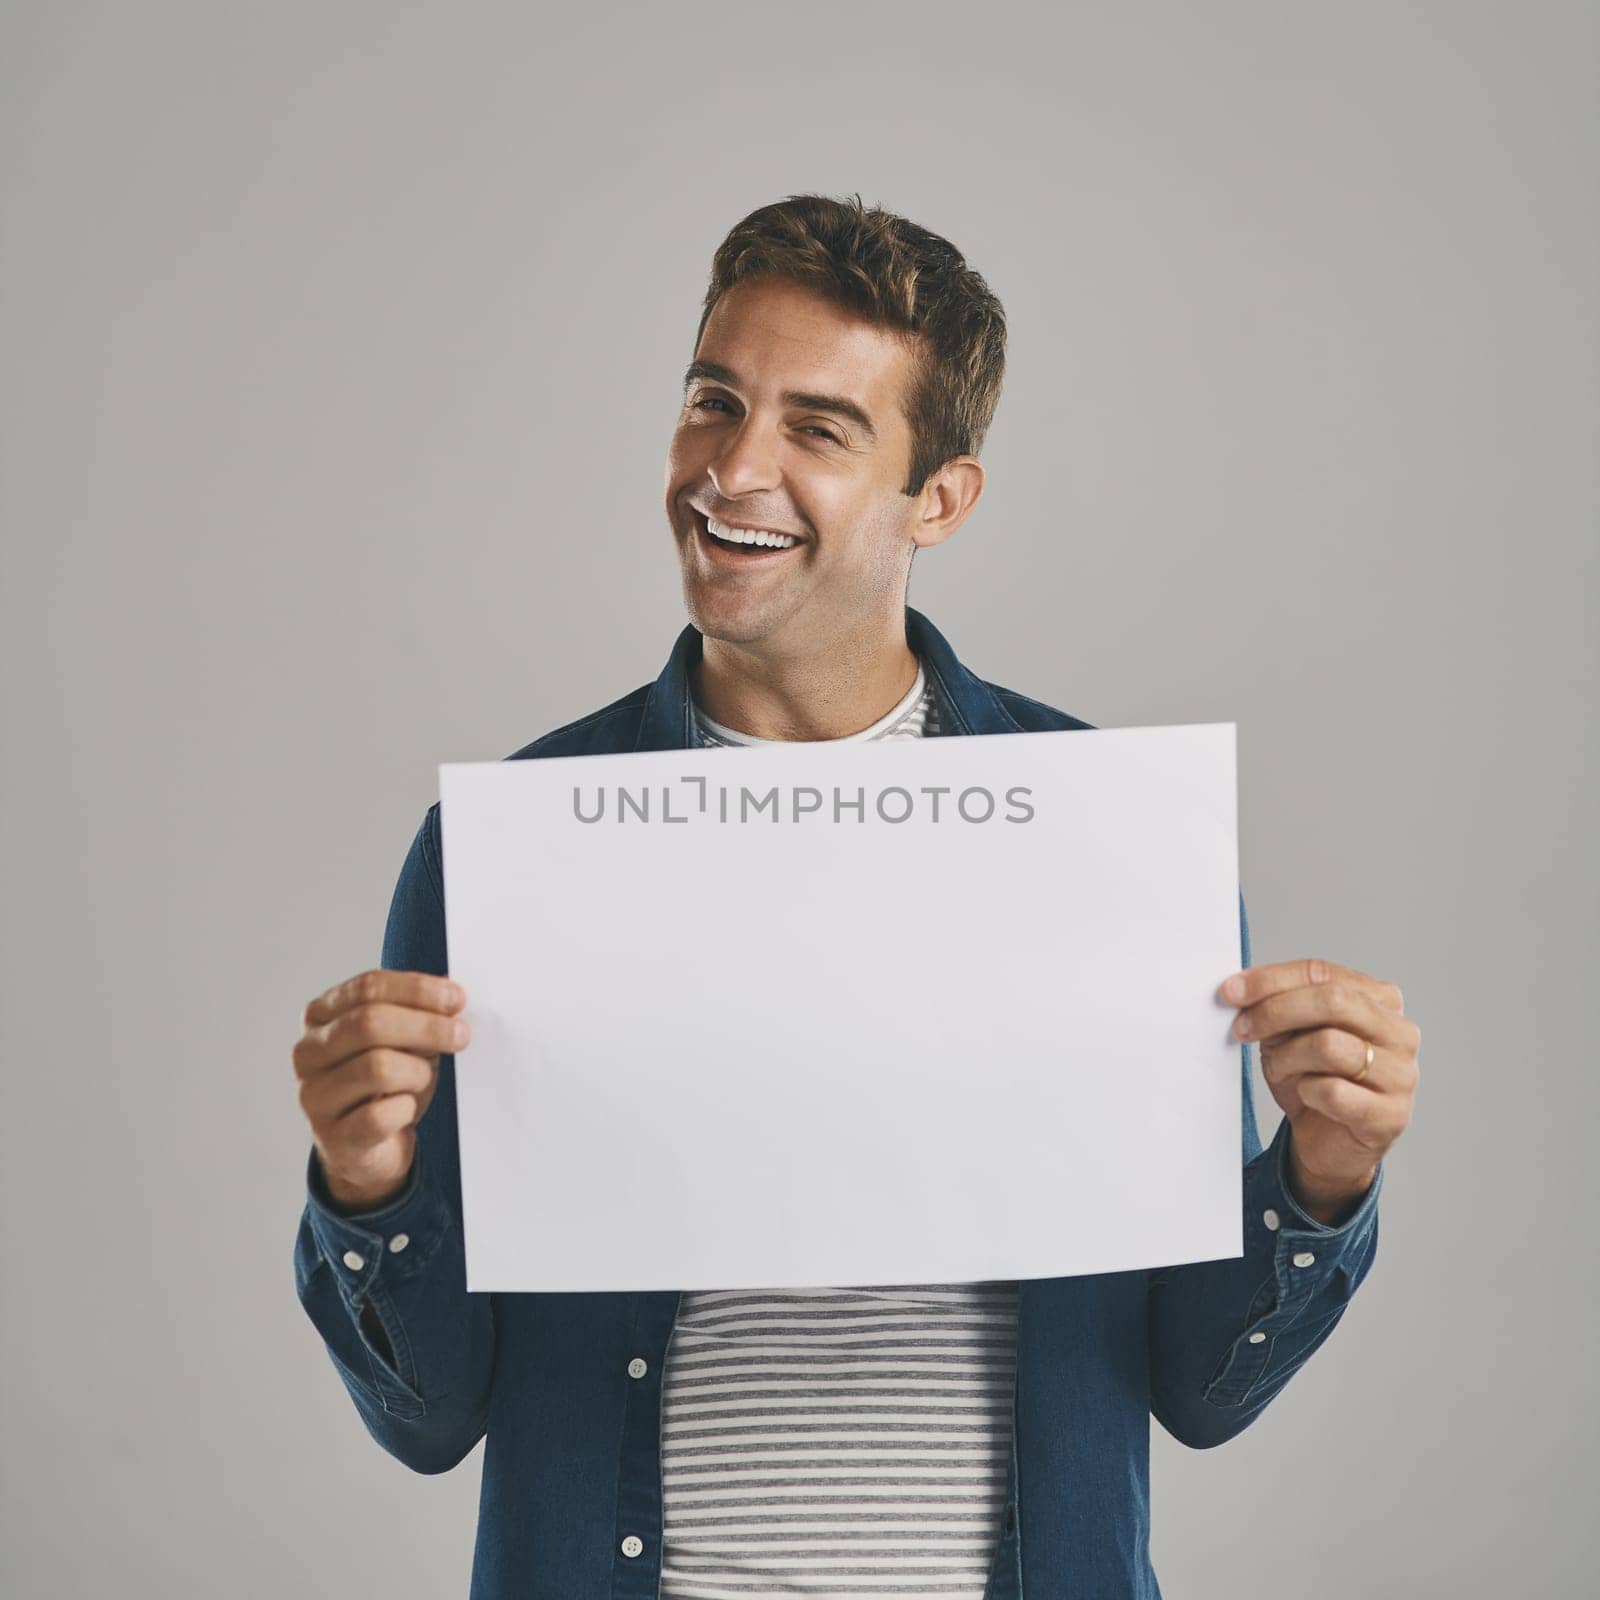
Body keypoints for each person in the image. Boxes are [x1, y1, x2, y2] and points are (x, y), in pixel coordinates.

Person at [291, 194, 1420, 1600]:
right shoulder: (503, 852)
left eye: (819, 429)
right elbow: (429, 1417)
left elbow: (1197, 1388)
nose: (733, 469)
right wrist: (365, 1180)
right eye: (715, 401)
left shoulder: (1114, 840)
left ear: (936, 499)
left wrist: (1324, 1169)